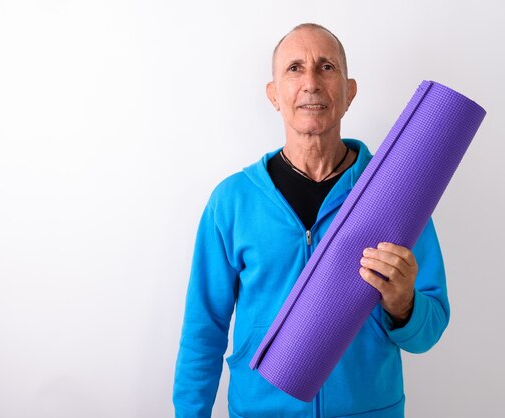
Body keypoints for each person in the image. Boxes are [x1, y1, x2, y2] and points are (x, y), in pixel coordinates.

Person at [173, 23, 449, 418]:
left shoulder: (396, 194)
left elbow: (430, 330)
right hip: (261, 411)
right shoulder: (232, 201)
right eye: (294, 68)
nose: (311, 82)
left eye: (326, 67)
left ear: (349, 91)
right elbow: (204, 332)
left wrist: (404, 304)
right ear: (274, 95)